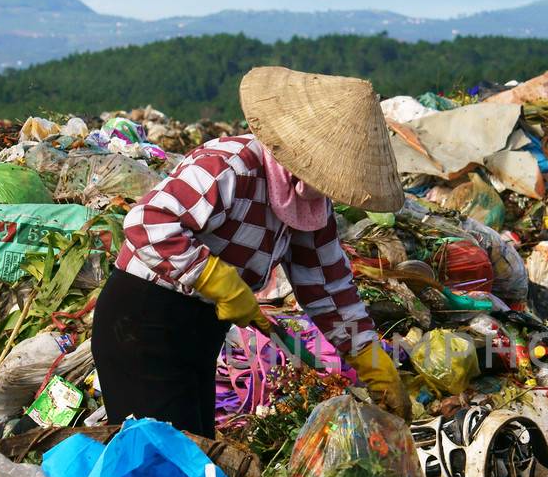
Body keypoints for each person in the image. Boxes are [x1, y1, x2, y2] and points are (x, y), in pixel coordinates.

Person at [91, 66, 409, 436]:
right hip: (142, 321)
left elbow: (328, 288)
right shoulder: (231, 163)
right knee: (159, 458)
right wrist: (215, 278)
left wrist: (371, 360)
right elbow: (148, 223)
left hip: (201, 330)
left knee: (196, 450)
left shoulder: (310, 202)